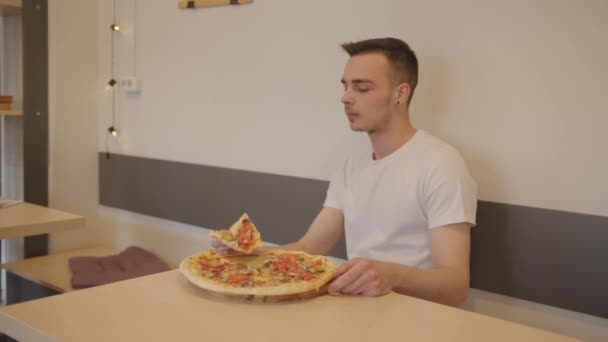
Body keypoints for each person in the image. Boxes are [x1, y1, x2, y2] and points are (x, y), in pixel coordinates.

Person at [213, 37, 477, 306]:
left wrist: (391, 275)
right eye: (346, 86)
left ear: (400, 93)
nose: (346, 98)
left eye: (362, 88)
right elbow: (309, 248)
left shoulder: (441, 163)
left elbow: (454, 286)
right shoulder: (351, 167)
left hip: (416, 320)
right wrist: (249, 256)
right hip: (358, 313)